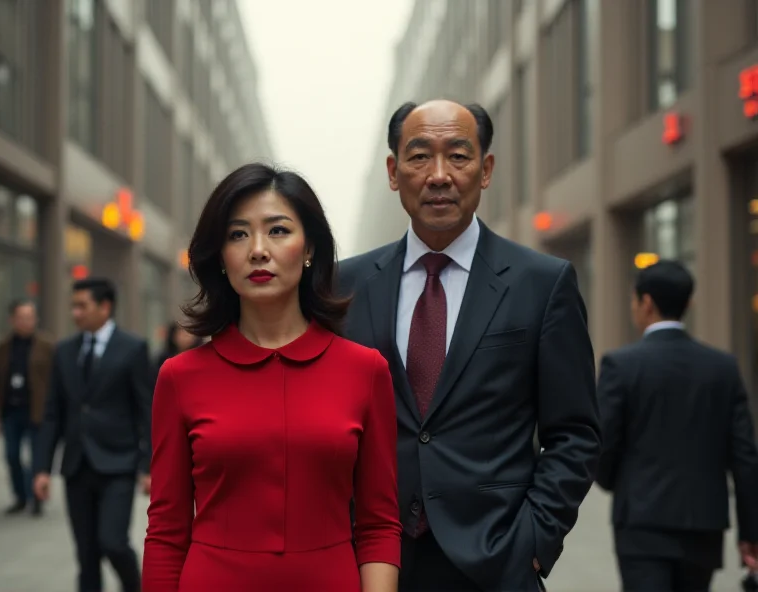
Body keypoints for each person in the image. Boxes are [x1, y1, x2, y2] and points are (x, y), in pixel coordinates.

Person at [338, 100, 601, 591]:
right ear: (394, 172)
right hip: (370, 563)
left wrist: (536, 541)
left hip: (496, 561)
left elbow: (575, 432)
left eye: (458, 156)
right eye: (419, 157)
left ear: (486, 169)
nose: (439, 175)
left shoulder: (542, 283)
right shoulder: (345, 286)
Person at [143, 163, 401, 591]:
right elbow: (167, 532)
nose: (257, 250)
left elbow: (378, 525)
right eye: (238, 234)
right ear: (221, 257)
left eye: (278, 230)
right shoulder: (180, 377)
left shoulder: (366, 371)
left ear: (310, 249)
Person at [596, 260, 758, 591]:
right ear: (688, 304)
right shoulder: (722, 368)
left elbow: (603, 443)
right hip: (703, 525)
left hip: (641, 523)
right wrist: (751, 533)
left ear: (646, 303)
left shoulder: (621, 366)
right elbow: (746, 458)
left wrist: (617, 482)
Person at [34, 277, 152, 592]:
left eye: (81, 306)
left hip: (119, 464)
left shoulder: (132, 348)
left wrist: (148, 466)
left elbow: (147, 411)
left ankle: (135, 586)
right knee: (86, 556)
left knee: (113, 542)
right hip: (76, 466)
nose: (75, 313)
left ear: (105, 307)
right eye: (73, 306)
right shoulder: (64, 351)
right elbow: (52, 414)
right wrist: (42, 468)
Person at [0, 298, 53, 516]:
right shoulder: (3, 348)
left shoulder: (47, 346)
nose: (26, 322)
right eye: (21, 318)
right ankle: (21, 496)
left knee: (36, 458)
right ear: (12, 320)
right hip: (10, 410)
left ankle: (36, 498)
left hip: (36, 411)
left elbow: (55, 382)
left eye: (30, 317)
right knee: (12, 456)